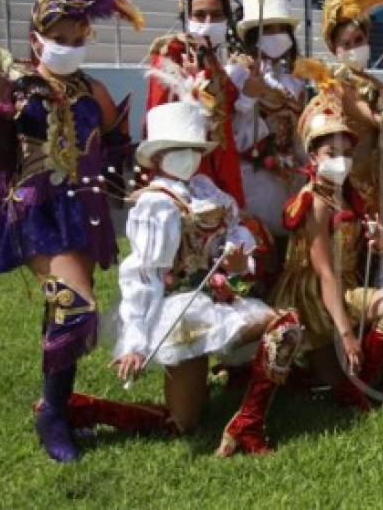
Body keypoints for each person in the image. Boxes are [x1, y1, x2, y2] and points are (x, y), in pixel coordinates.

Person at [0, 0, 141, 462]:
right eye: (58, 37)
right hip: (36, 215)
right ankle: (52, 414)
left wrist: (130, 187)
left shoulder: (92, 90)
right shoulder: (17, 84)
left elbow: (118, 148)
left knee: (60, 310)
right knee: (76, 307)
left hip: (85, 215)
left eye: (77, 37)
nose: (68, 45)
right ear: (37, 36)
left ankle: (59, 408)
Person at [112, 82, 303, 457]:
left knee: (286, 325)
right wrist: (135, 341)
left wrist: (239, 257)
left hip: (220, 299)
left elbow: (238, 234)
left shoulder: (208, 191)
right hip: (178, 314)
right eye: (177, 150)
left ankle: (246, 423)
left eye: (194, 150)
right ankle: (83, 409)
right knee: (182, 423)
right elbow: (143, 275)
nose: (187, 157)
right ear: (158, 156)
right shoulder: (157, 205)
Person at [271, 61, 383, 408]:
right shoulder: (315, 202)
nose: (341, 161)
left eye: (347, 154)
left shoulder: (350, 194)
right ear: (313, 156)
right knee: (330, 380)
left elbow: (380, 249)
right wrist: (346, 332)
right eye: (331, 154)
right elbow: (323, 272)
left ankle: (366, 381)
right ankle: (354, 380)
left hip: (347, 287)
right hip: (316, 298)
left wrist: (382, 242)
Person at [145, 0, 284, 207]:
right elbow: (160, 124)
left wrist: (248, 96)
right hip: (186, 171)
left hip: (222, 169)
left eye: (216, 15)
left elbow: (228, 127)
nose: (208, 23)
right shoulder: (171, 56)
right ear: (186, 17)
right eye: (200, 15)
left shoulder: (218, 68)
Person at [226, 0, 306, 239]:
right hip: (254, 178)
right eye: (268, 29)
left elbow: (298, 136)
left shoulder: (294, 80)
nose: (276, 36)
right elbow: (229, 133)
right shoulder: (237, 73)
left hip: (290, 176)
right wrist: (247, 97)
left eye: (281, 29)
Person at [321, 0, 383, 217]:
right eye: (347, 43)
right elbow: (378, 120)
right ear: (335, 48)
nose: (355, 47)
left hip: (377, 174)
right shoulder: (335, 82)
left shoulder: (374, 82)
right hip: (351, 177)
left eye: (359, 39)